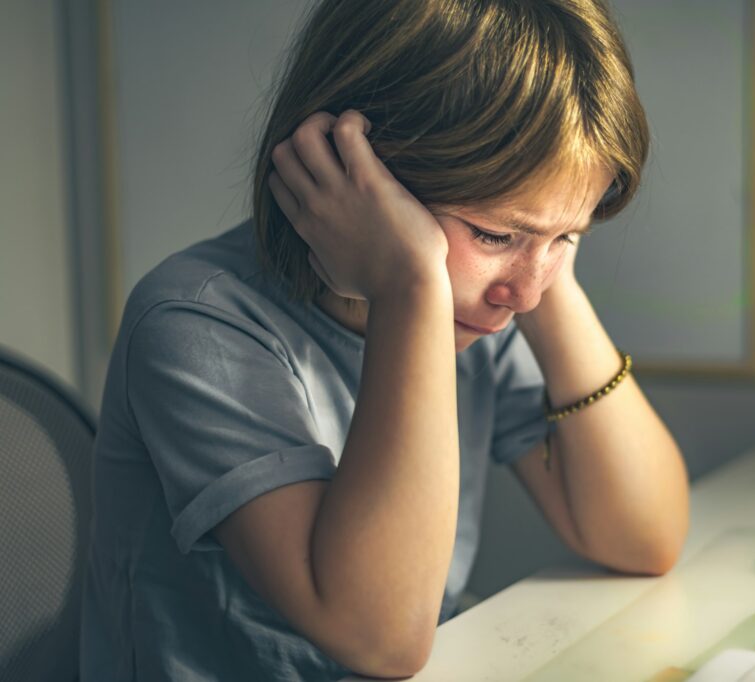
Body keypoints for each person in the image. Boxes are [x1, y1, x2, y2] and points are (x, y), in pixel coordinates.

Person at [80, 0, 689, 679]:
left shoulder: (485, 311)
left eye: (568, 236)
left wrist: (549, 269)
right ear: (352, 167)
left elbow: (646, 536)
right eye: (493, 234)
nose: (525, 292)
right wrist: (411, 289)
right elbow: (381, 637)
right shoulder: (197, 326)